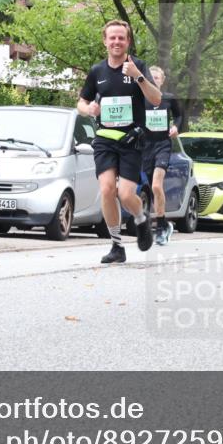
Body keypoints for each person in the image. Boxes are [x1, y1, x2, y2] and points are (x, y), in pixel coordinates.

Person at [77, 20, 162, 264]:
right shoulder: (97, 71)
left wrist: (138, 77)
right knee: (106, 189)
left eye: (121, 38)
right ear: (105, 41)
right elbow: (81, 102)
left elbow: (156, 99)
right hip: (105, 139)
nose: (116, 42)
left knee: (125, 194)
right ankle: (117, 246)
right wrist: (88, 109)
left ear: (128, 41)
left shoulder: (138, 66)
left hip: (131, 139)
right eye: (112, 38)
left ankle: (141, 217)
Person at [142, 66, 183, 246]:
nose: (154, 80)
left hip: (163, 145)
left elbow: (179, 116)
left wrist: (175, 127)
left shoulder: (168, 98)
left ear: (162, 80)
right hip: (145, 147)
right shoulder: (140, 98)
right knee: (152, 189)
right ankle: (163, 223)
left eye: (157, 78)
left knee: (157, 185)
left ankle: (159, 228)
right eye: (151, 78)